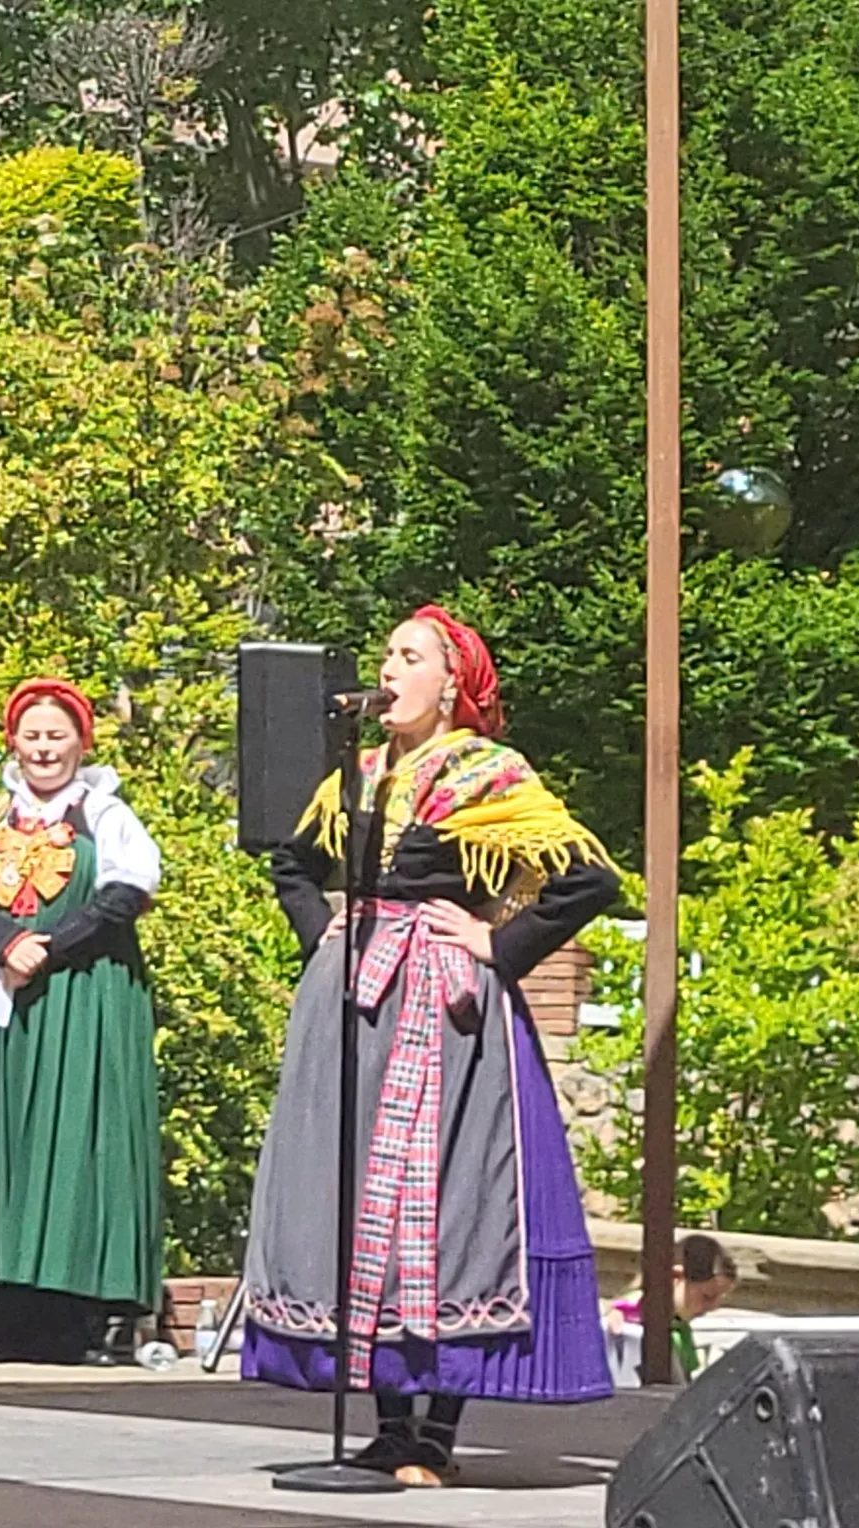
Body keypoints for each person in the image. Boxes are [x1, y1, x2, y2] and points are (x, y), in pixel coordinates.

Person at [240, 607, 619, 1484]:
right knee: (358, 1198)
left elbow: (588, 878)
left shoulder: (491, 776)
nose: (388, 670)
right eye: (386, 654)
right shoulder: (360, 777)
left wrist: (497, 942)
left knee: (445, 1202)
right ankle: (387, 1427)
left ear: (451, 683)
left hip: (447, 1012)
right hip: (356, 1002)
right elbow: (293, 865)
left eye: (408, 657)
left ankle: (437, 1431)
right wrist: (323, 931)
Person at [0, 680, 164, 1363]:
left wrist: (44, 949)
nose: (44, 748)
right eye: (32, 736)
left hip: (79, 992)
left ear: (82, 743)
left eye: (57, 735)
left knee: (73, 1132)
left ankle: (73, 1310)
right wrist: (3, 944)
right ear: (12, 743)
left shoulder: (105, 815)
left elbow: (122, 896)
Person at [603, 1234, 739, 1387]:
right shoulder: (632, 1313)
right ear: (675, 1277)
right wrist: (614, 1315)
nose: (713, 1307)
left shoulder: (679, 1325)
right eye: (707, 1296)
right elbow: (619, 1314)